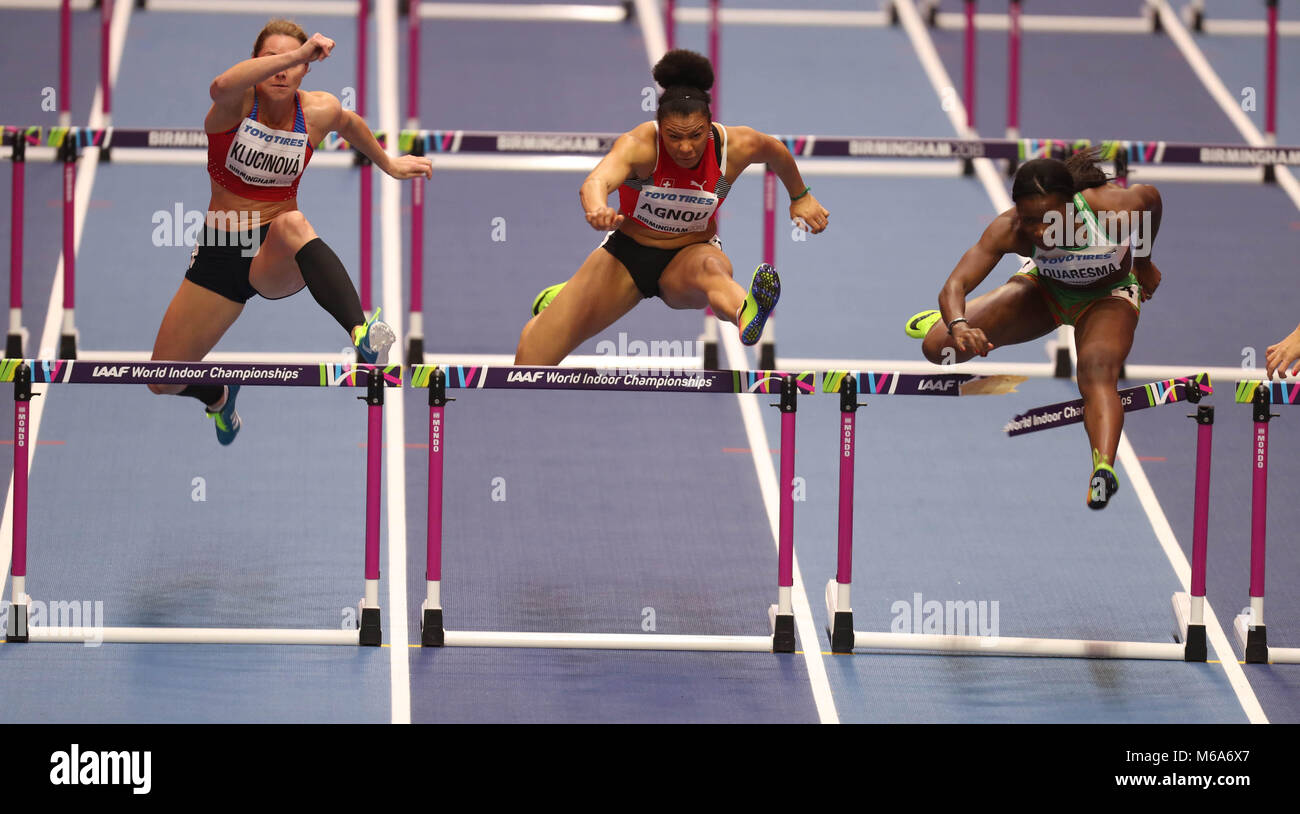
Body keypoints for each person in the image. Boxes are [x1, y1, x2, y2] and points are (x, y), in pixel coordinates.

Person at [149, 19, 432, 445]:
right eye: (270, 61)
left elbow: (349, 123)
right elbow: (218, 85)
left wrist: (388, 164)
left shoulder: (316, 112)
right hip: (222, 246)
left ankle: (362, 334)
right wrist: (298, 52)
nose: (281, 71)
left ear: (307, 72)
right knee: (161, 378)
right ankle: (217, 395)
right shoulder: (234, 106)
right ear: (257, 65)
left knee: (293, 222)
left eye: (294, 63)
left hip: (274, 249)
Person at [514, 49, 829, 365]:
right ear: (659, 128)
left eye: (695, 135)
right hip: (627, 256)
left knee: (713, 271)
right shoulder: (640, 146)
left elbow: (776, 152)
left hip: (689, 254)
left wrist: (800, 196)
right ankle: (569, 294)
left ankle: (746, 312)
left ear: (709, 124)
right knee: (533, 357)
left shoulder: (735, 146)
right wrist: (597, 208)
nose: (686, 147)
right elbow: (596, 181)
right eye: (674, 137)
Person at [905, 151, 1162, 509]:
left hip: (1107, 299)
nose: (1039, 232)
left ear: (1071, 206)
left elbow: (1151, 199)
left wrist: (1145, 262)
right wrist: (959, 324)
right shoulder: (1009, 228)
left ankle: (1102, 469)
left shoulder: (1112, 211)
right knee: (939, 348)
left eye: (1048, 220)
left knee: (1096, 371)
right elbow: (955, 285)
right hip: (1046, 293)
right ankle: (944, 321)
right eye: (1030, 221)